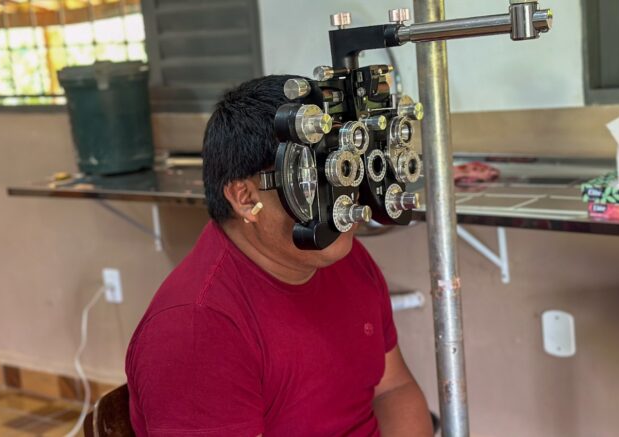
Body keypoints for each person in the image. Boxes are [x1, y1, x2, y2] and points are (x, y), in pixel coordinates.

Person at [125, 75, 432, 436]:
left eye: (345, 168)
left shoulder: (343, 259)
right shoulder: (197, 330)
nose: (345, 196)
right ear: (245, 198)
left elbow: (393, 388)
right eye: (311, 179)